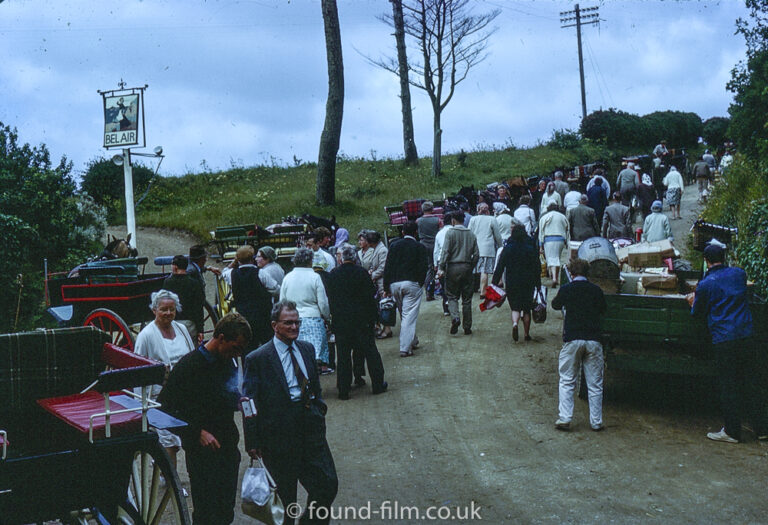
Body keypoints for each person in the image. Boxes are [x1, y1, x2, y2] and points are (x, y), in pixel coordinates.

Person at [243, 301, 338, 525]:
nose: (294, 327)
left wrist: (318, 408)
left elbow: (314, 386)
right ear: (275, 325)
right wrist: (252, 440)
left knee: (327, 485)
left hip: (309, 427)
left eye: (297, 322)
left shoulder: (306, 349)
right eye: (288, 323)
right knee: (286, 501)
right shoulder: (258, 358)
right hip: (278, 435)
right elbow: (248, 402)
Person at [158, 313, 252, 525]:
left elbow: (224, 396)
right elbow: (164, 410)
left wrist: (238, 401)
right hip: (202, 457)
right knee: (206, 515)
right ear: (220, 337)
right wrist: (196, 433)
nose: (237, 354)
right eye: (235, 348)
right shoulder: (190, 366)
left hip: (227, 450)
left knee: (225, 512)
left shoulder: (228, 362)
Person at [688, 244, 768, 444]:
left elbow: (697, 312)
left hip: (725, 339)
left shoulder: (706, 284)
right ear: (724, 257)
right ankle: (762, 429)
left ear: (706, 262)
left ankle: (732, 431)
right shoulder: (739, 274)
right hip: (746, 335)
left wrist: (692, 300)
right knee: (751, 382)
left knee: (728, 385)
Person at [134, 290, 195, 468]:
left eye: (172, 309)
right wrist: (141, 404)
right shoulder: (146, 335)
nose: (168, 313)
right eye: (163, 309)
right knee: (168, 441)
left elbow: (192, 358)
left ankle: (163, 469)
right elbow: (138, 370)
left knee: (182, 438)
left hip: (183, 394)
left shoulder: (182, 329)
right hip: (160, 397)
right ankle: (171, 482)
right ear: (154, 310)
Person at [551, 258, 607, 432]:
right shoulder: (596, 290)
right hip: (593, 339)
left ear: (571, 273)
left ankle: (565, 417)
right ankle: (596, 421)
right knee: (595, 384)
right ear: (587, 273)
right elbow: (603, 309)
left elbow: (555, 305)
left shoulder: (567, 289)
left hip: (573, 339)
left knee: (567, 380)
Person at [326, 245, 387, 399]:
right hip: (362, 320)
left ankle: (343, 389)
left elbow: (330, 298)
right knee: (371, 352)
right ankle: (378, 384)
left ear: (341, 259)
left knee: (343, 356)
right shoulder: (362, 273)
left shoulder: (333, 275)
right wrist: (374, 319)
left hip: (341, 321)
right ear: (354, 258)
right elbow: (370, 297)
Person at [280, 247, 332, 372]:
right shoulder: (315, 277)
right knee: (313, 356)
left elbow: (282, 301)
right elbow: (323, 303)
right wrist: (327, 317)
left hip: (292, 320)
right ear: (310, 261)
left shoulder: (287, 277)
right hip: (313, 319)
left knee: (297, 357)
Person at [383, 221, 428, 358]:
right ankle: (405, 347)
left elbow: (388, 266)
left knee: (404, 313)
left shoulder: (394, 245)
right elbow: (423, 267)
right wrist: (420, 283)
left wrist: (386, 287)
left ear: (402, 232)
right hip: (411, 283)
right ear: (416, 232)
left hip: (395, 283)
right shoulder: (419, 247)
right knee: (409, 315)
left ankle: (412, 340)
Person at [221, 245, 278, 347]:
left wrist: (233, 263)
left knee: (247, 347)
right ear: (252, 259)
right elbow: (276, 289)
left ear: (238, 260)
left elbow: (224, 272)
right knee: (268, 345)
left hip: (244, 316)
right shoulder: (261, 273)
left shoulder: (231, 274)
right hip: (262, 316)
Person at [492, 225, 541, 342]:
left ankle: (515, 323)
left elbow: (500, 266)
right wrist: (538, 283)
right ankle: (526, 334)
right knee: (527, 308)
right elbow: (537, 267)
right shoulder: (530, 248)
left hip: (512, 281)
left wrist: (494, 282)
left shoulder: (508, 248)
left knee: (515, 307)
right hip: (528, 281)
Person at [438, 210, 480, 335]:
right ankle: (467, 326)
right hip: (467, 267)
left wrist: (441, 266)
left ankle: (455, 317)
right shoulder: (471, 234)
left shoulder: (450, 233)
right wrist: (470, 266)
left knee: (451, 295)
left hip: (452, 267)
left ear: (453, 220)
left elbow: (445, 251)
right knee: (467, 299)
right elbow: (477, 254)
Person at [162, 254, 205, 343]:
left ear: (175, 267)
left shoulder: (168, 283)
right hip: (190, 325)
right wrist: (200, 330)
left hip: (172, 324)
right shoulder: (195, 283)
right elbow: (198, 308)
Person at [468, 202, 502, 298]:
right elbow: (497, 235)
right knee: (484, 271)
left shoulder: (473, 219)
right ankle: (483, 291)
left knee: (476, 270)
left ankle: (476, 288)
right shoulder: (492, 219)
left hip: (476, 248)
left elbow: (469, 233)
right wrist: (500, 246)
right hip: (487, 248)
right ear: (488, 210)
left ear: (478, 210)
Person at [538, 202, 570, 287]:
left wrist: (540, 245)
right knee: (557, 258)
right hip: (560, 239)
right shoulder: (562, 216)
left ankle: (554, 278)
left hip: (548, 239)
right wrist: (567, 241)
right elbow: (567, 229)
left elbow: (541, 232)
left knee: (551, 258)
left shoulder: (544, 217)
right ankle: (555, 276)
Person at [417, 201, 442, 301]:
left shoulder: (418, 221)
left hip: (423, 245)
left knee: (428, 268)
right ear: (432, 209)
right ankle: (433, 290)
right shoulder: (438, 220)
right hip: (434, 245)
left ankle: (427, 290)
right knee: (435, 267)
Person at [433, 215, 454, 317]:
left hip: (441, 260)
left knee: (444, 285)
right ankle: (453, 305)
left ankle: (446, 307)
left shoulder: (439, 233)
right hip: (454, 260)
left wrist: (435, 264)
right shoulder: (455, 231)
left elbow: (436, 251)